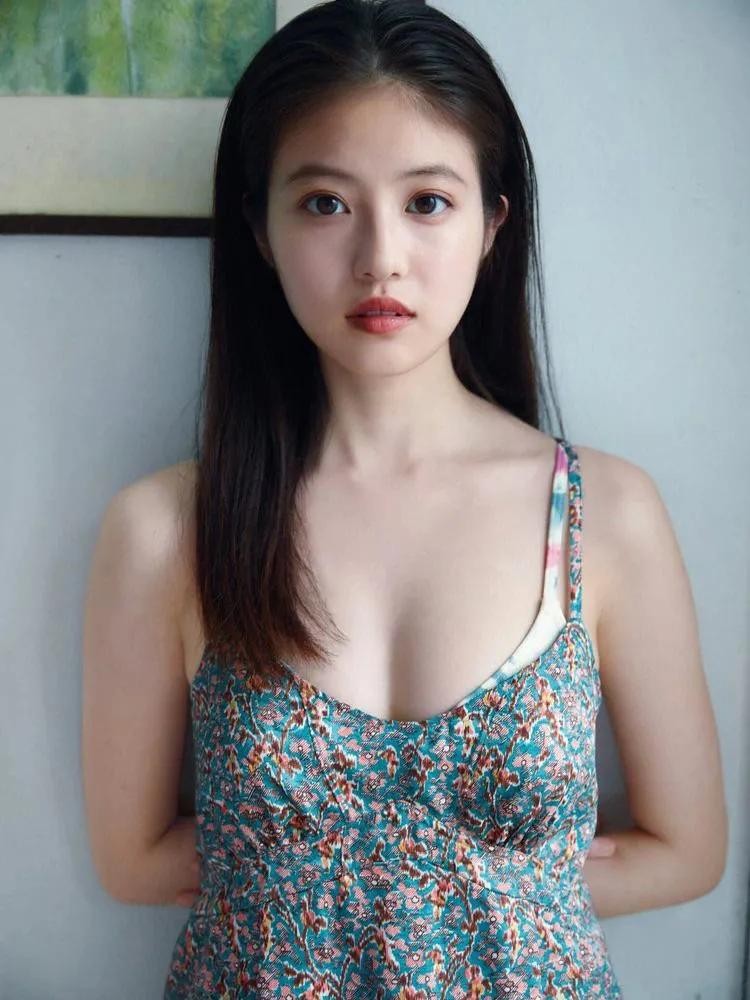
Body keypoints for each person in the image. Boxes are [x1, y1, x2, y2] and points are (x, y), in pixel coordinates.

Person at [81, 1, 727, 995]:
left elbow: (688, 849)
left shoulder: (605, 513)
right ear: (259, 228)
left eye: (427, 201)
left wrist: (481, 887)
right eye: (325, 203)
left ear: (493, 222)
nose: (380, 255)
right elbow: (132, 860)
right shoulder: (166, 531)